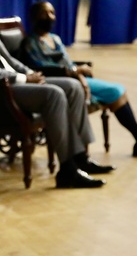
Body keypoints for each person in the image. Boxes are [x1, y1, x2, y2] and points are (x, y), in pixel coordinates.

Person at [21, 1, 137, 157]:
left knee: (119, 92)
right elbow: (40, 67)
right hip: (61, 81)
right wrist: (76, 72)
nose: (49, 17)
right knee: (115, 92)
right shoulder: (31, 42)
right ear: (34, 17)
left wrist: (79, 70)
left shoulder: (55, 38)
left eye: (51, 12)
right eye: (44, 13)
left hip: (76, 77)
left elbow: (68, 62)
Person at [1, 36, 111, 188]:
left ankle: (80, 158)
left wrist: (32, 74)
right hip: (5, 90)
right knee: (54, 94)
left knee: (73, 87)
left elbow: (11, 62)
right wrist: (24, 78)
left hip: (17, 81)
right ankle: (67, 170)